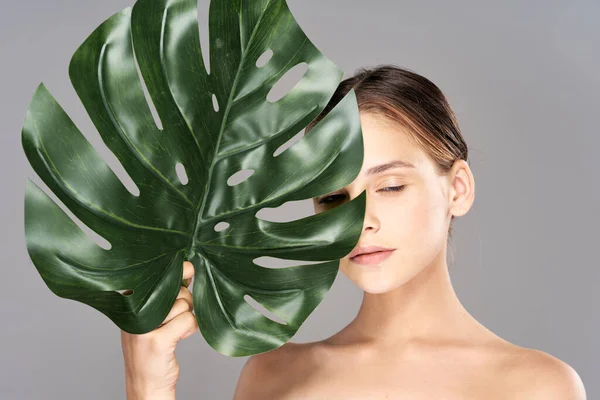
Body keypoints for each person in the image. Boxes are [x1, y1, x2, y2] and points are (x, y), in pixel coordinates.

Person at [121, 65, 587, 399]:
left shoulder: (535, 386)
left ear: (458, 189)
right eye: (332, 198)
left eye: (390, 185)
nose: (360, 219)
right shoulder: (271, 376)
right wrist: (147, 387)